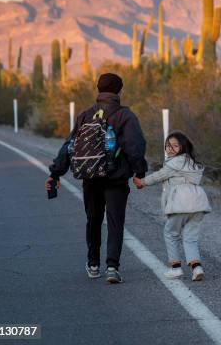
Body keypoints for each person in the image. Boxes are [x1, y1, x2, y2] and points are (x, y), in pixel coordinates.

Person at [44, 72, 147, 284]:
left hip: (90, 177)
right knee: (115, 221)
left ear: (98, 89)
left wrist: (55, 173)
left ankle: (93, 263)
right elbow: (135, 147)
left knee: (93, 219)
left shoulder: (85, 115)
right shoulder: (125, 115)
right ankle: (112, 267)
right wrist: (140, 172)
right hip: (116, 178)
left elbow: (69, 146)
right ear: (119, 91)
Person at [133, 131, 211, 281]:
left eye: (175, 146)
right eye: (168, 146)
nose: (170, 149)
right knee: (190, 237)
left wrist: (142, 182)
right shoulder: (191, 162)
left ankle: (175, 268)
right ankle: (197, 268)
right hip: (198, 203)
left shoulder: (175, 162)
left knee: (171, 233)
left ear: (183, 147)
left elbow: (159, 175)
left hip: (181, 204)